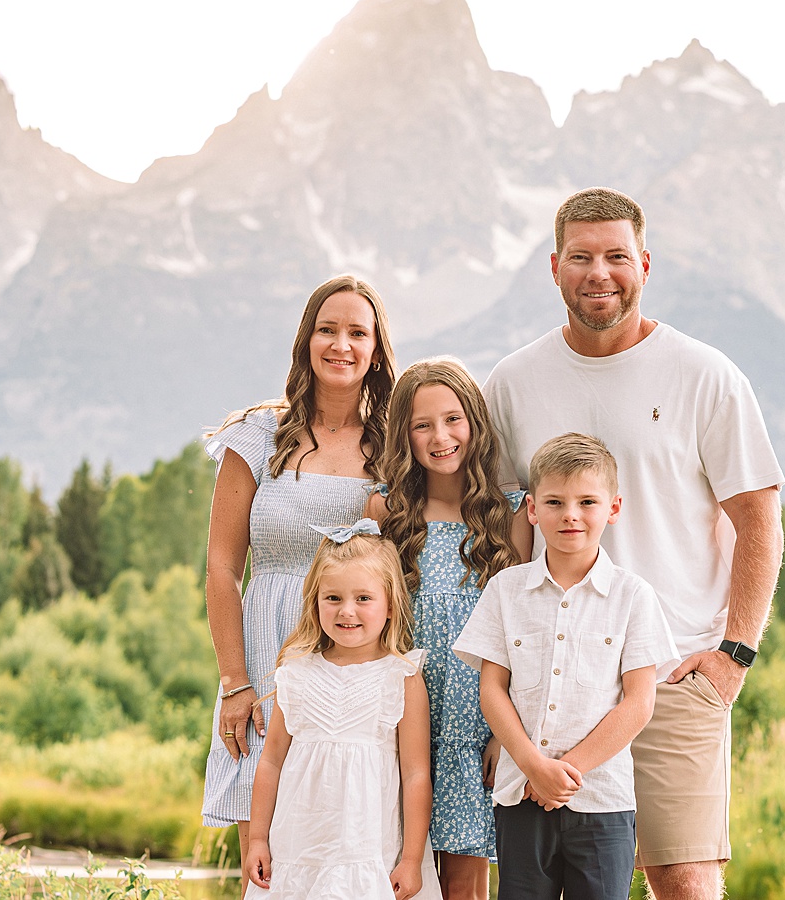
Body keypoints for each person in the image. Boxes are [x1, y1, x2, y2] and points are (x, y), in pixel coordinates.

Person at [483, 188, 785, 900]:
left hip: (673, 670)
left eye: (617, 256)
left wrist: (733, 656)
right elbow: (499, 528)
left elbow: (760, 521)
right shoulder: (514, 383)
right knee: (548, 886)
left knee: (682, 880)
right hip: (546, 682)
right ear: (554, 267)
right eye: (582, 257)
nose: (600, 273)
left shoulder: (704, 375)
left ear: (644, 263)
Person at [200, 275, 396, 848]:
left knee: (348, 848)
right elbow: (221, 568)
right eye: (327, 329)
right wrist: (234, 681)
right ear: (305, 341)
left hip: (355, 659)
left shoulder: (393, 447)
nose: (341, 345)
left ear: (377, 349)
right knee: (263, 855)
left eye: (357, 332)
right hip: (263, 656)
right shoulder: (259, 437)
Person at [453, 433, 678, 900]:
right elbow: (492, 690)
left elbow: (639, 703)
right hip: (521, 796)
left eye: (587, 502)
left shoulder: (633, 596)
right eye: (554, 502)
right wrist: (535, 766)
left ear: (613, 508)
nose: (570, 515)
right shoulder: (505, 590)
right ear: (532, 509)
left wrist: (567, 770)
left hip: (602, 802)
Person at [364, 358, 534, 900]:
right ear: (404, 435)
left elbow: (524, 634)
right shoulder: (385, 510)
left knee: (464, 883)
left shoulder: (510, 513)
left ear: (475, 424)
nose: (440, 437)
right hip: (400, 718)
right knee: (396, 875)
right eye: (422, 425)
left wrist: (507, 732)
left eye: (453, 419)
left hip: (476, 724)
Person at [241, 523, 441, 900]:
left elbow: (416, 774)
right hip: (298, 849)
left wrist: (411, 859)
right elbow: (270, 764)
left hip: (369, 851)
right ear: (315, 602)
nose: (347, 611)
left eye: (363, 598)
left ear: (390, 604)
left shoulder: (402, 676)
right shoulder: (297, 671)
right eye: (333, 598)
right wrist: (257, 840)